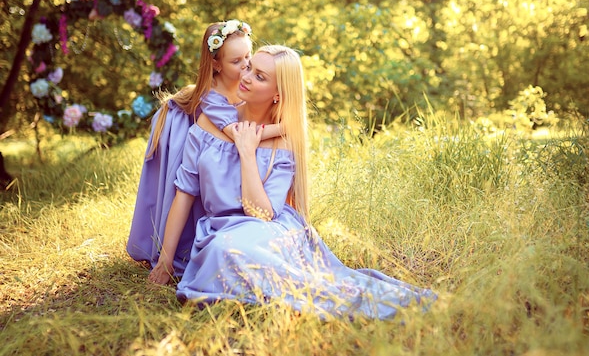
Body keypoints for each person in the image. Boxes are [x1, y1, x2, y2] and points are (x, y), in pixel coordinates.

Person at [150, 45, 437, 320]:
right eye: (249, 68)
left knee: (233, 251)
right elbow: (184, 194)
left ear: (278, 95)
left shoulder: (283, 143)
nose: (246, 77)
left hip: (268, 229)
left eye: (259, 76)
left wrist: (247, 151)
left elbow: (261, 213)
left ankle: (369, 302)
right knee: (221, 248)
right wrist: (164, 263)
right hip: (219, 231)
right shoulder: (208, 125)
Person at [127, 20, 282, 277]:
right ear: (216, 64)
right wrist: (286, 128)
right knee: (187, 194)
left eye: (248, 56)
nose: (246, 65)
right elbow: (241, 135)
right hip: (200, 150)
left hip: (227, 170)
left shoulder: (245, 88)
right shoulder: (213, 99)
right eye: (236, 61)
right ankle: (174, 250)